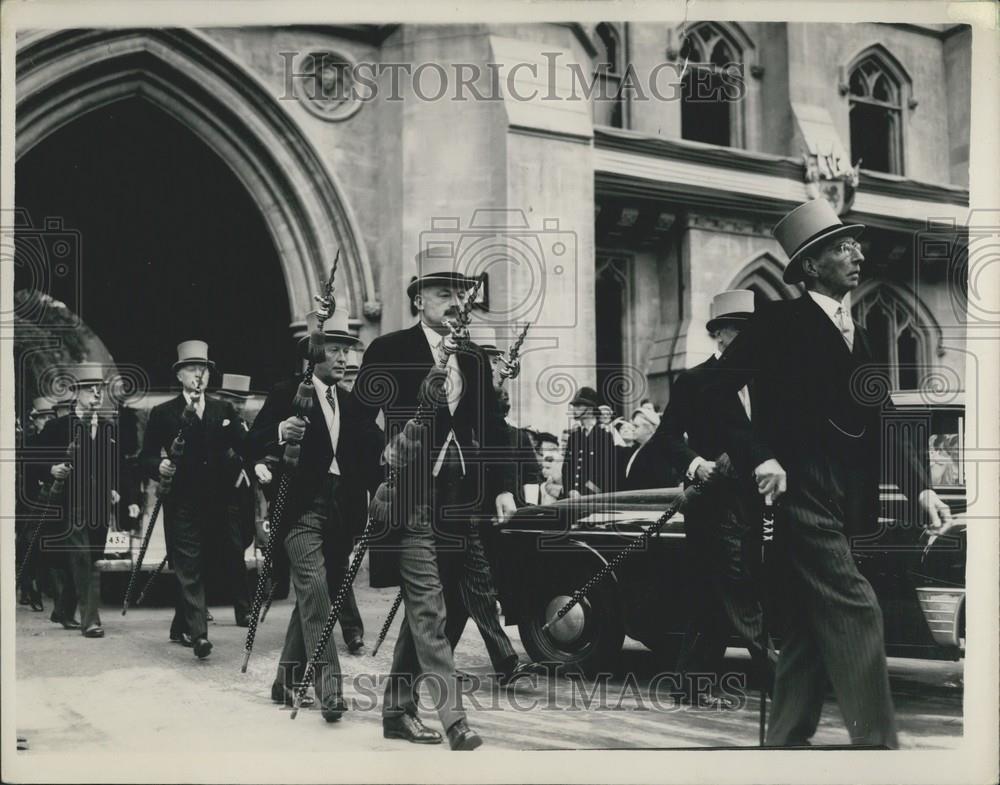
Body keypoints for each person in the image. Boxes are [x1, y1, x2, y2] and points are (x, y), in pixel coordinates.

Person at [711, 199, 953, 747]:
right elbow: (713, 393)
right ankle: (876, 748)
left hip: (847, 497)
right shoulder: (776, 322)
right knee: (856, 606)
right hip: (797, 489)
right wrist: (761, 457)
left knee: (804, 629)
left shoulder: (860, 331)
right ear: (812, 265)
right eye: (843, 246)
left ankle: (786, 742)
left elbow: (884, 414)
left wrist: (922, 489)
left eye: (856, 244)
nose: (858, 253)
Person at [352, 251, 519, 750]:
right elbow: (359, 419)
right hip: (411, 499)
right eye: (442, 293)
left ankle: (397, 712)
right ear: (418, 299)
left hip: (460, 501)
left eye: (459, 294)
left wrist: (504, 486)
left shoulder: (469, 356)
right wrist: (381, 455)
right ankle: (455, 722)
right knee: (428, 609)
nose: (453, 302)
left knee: (436, 609)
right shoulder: (388, 348)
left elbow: (493, 429)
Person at [246, 307, 382, 722]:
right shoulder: (288, 391)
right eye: (336, 350)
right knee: (317, 592)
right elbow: (250, 443)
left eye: (347, 351)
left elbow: (376, 454)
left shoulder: (352, 403)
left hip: (343, 511)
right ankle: (329, 689)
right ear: (315, 354)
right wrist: (279, 432)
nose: (344, 359)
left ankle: (285, 682)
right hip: (300, 509)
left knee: (315, 593)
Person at [646, 290, 775, 707]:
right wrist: (695, 463)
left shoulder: (766, 382)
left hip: (759, 504)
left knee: (714, 595)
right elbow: (665, 438)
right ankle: (778, 678)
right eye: (741, 331)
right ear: (719, 335)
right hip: (713, 503)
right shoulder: (696, 381)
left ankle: (689, 684)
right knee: (737, 588)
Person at [139, 341, 244, 659]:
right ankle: (199, 634)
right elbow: (143, 457)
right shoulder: (162, 413)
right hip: (181, 501)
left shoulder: (222, 410)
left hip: (216, 501)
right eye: (193, 369)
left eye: (205, 369)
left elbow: (243, 445)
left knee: (208, 562)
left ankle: (180, 622)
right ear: (180, 375)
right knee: (188, 563)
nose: (200, 375)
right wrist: (159, 466)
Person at [32, 363, 140, 638]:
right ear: (76, 393)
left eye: (100, 389)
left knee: (89, 557)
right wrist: (51, 469)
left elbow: (120, 466)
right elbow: (31, 462)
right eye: (90, 389)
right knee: (83, 559)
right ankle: (90, 620)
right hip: (71, 504)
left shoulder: (108, 428)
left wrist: (123, 494)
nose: (97, 394)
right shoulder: (57, 427)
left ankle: (64, 610)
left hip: (100, 505)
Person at [207, 373, 257, 628]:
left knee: (242, 543)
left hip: (246, 497)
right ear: (223, 399)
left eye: (242, 400)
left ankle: (199, 602)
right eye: (233, 400)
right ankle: (243, 610)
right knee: (235, 554)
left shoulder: (247, 425)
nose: (238, 405)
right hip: (223, 498)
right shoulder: (215, 424)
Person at [562, 386, 618, 497]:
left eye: (578, 406)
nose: (574, 409)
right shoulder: (574, 436)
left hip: (594, 497)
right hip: (572, 498)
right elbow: (566, 468)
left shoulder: (605, 436)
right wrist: (570, 490)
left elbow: (608, 470)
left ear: (591, 408)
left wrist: (584, 491)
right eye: (574, 406)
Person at [618, 408, 670, 491]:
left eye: (636, 426)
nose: (632, 429)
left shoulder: (658, 452)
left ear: (650, 429)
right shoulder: (634, 449)